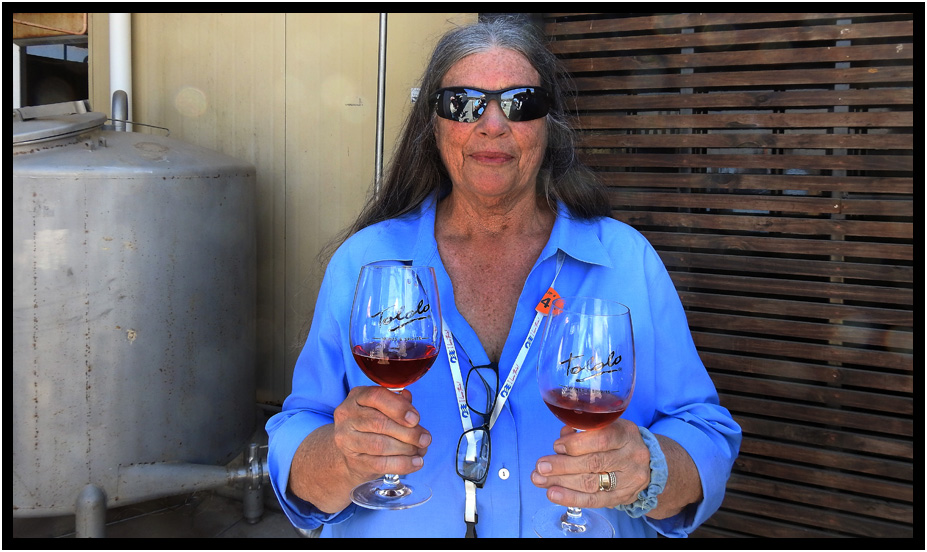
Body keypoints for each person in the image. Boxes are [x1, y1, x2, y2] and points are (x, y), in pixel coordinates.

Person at [266, 17, 741, 538]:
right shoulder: (365, 260)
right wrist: (339, 458)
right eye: (463, 103)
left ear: (548, 124)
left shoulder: (626, 260)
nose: (492, 124)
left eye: (520, 102)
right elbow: (300, 436)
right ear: (434, 123)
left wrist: (649, 469)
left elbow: (707, 435)